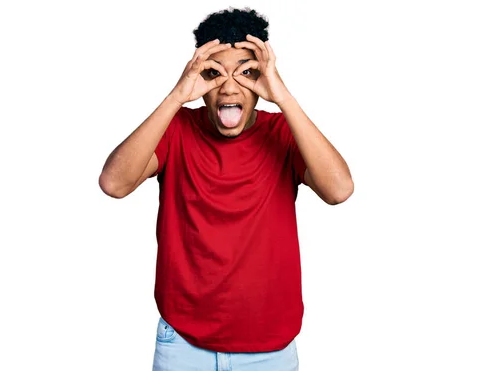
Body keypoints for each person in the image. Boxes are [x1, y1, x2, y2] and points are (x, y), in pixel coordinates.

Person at [99, 7, 353, 371]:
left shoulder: (282, 133)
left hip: (270, 350)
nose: (230, 87)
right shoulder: (176, 129)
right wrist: (175, 97)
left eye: (247, 73)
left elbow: (339, 189)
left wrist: (283, 96)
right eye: (215, 73)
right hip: (183, 345)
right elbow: (113, 183)